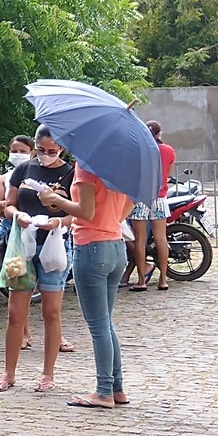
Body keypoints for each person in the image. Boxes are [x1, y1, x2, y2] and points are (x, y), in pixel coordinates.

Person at [38, 162, 134, 409]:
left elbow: (86, 211)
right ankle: (116, 388)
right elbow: (129, 205)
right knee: (105, 322)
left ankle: (104, 391)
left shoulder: (87, 165)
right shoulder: (119, 166)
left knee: (99, 325)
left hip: (91, 247)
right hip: (115, 245)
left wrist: (55, 200)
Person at [0, 125, 74, 394]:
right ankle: (9, 372)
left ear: (61, 148)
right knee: (16, 312)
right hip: (23, 244)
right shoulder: (24, 169)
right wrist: (18, 216)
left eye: (53, 151)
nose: (47, 155)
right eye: (42, 150)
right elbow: (9, 204)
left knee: (51, 311)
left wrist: (59, 221)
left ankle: (48, 374)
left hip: (55, 244)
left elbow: (79, 213)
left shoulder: (71, 173)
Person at [0, 135, 35, 350]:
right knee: (17, 281)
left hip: (36, 229)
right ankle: (23, 332)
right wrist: (8, 206)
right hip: (11, 231)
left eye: (22, 150)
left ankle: (57, 336)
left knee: (49, 286)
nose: (16, 154)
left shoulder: (37, 175)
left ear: (31, 152)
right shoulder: (5, 178)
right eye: (13, 150)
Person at [125, 120, 176, 292]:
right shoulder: (168, 150)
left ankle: (141, 280)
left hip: (141, 198)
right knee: (161, 238)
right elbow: (167, 175)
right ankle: (163, 280)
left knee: (140, 239)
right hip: (160, 198)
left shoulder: (138, 152)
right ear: (159, 133)